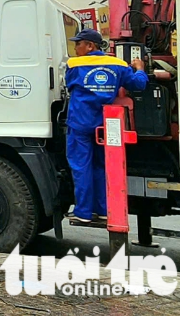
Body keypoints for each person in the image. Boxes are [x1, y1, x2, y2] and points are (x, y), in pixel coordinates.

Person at [64, 29, 147, 225]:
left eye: (78, 44)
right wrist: (140, 67)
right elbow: (139, 84)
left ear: (90, 46)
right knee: (103, 166)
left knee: (81, 166)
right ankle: (103, 210)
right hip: (105, 125)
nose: (76, 48)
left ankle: (83, 212)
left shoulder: (74, 64)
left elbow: (69, 86)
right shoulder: (117, 64)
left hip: (81, 123)